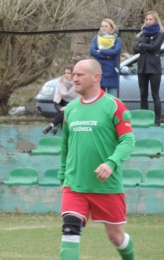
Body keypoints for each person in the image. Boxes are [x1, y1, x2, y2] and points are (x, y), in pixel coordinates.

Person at [59, 59, 135, 260]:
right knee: (69, 230)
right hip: (75, 184)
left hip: (106, 186)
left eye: (80, 74)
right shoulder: (70, 109)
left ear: (96, 77)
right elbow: (65, 146)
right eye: (74, 74)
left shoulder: (113, 106)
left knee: (116, 238)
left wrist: (111, 163)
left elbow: (128, 140)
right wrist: (62, 177)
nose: (74, 78)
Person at [133, 11, 164, 126]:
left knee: (155, 95)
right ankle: (144, 120)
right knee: (143, 94)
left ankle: (156, 122)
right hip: (142, 67)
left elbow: (155, 47)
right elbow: (135, 49)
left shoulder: (160, 33)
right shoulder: (143, 33)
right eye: (147, 19)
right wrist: (145, 47)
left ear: (155, 20)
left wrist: (142, 46)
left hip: (154, 68)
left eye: (150, 19)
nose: (148, 21)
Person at [90, 18, 122, 97]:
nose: (104, 28)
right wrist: (108, 56)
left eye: (106, 26)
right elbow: (92, 51)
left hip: (111, 72)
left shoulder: (117, 39)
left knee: (113, 98)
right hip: (99, 70)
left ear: (111, 27)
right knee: (99, 98)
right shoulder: (96, 38)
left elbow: (115, 52)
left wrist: (101, 51)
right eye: (102, 26)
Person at [43, 65, 79, 134]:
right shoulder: (60, 83)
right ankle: (54, 126)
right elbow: (56, 102)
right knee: (65, 112)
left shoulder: (78, 84)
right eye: (65, 73)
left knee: (67, 111)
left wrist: (68, 107)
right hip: (63, 109)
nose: (66, 75)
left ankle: (52, 125)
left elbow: (79, 100)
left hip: (75, 107)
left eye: (69, 73)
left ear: (73, 74)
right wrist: (60, 108)